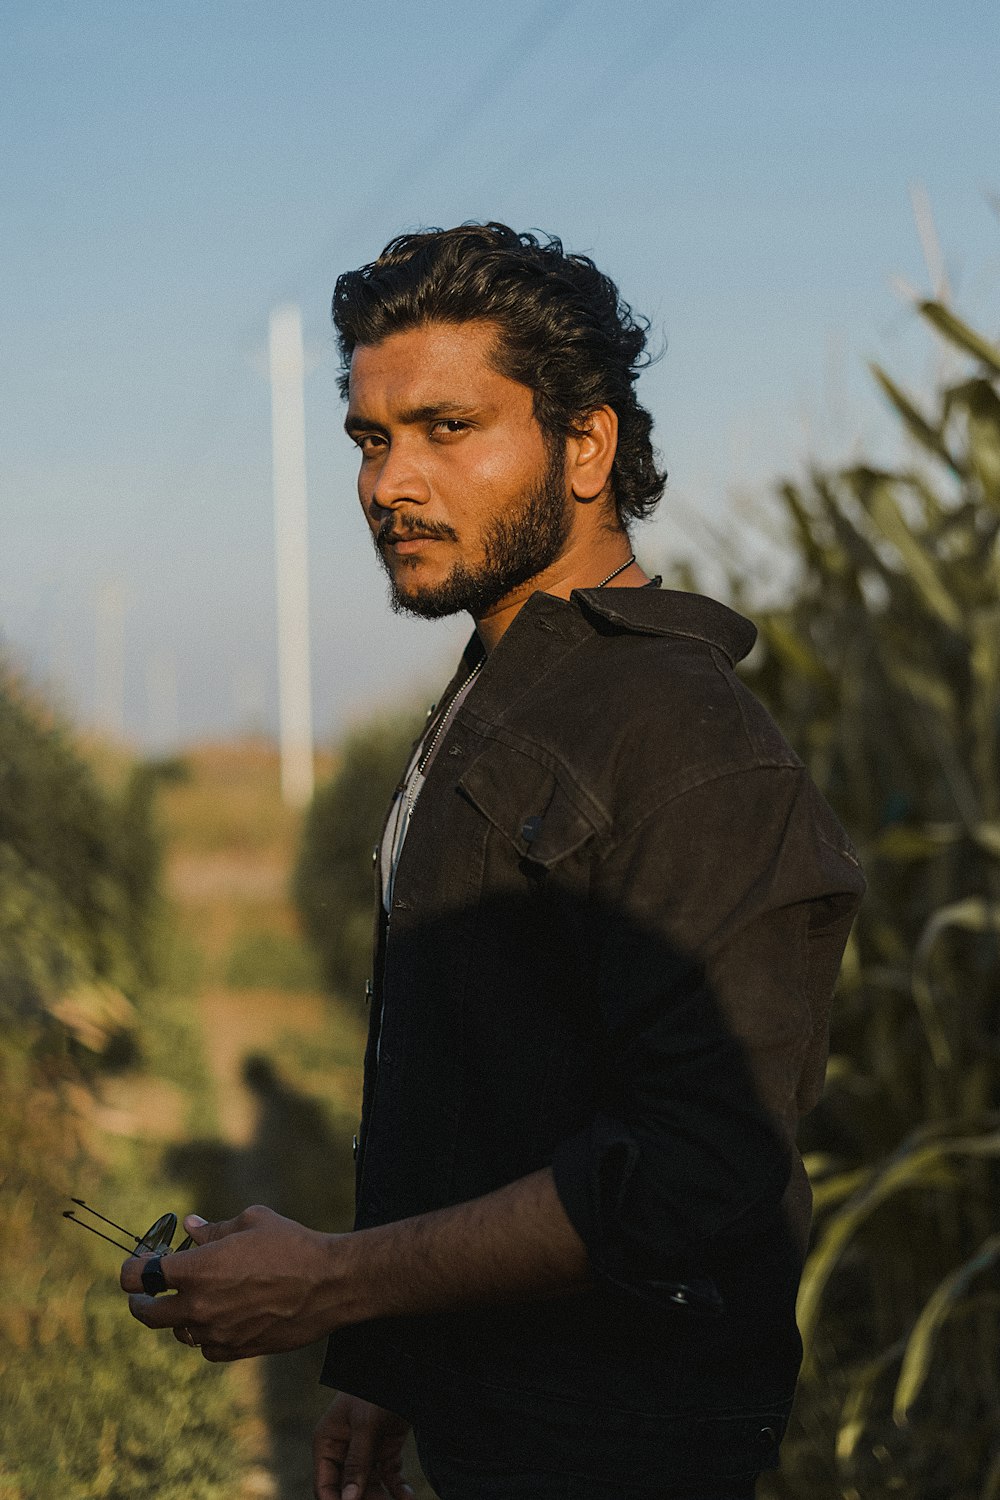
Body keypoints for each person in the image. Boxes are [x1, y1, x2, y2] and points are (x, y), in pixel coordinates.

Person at [122, 223, 865, 1499]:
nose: (389, 483)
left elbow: (692, 1174)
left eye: (445, 428)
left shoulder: (686, 744)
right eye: (370, 437)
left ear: (587, 446)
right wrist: (390, 1354)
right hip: (494, 1425)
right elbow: (485, 1083)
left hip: (618, 1448)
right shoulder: (508, 692)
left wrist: (335, 1280)